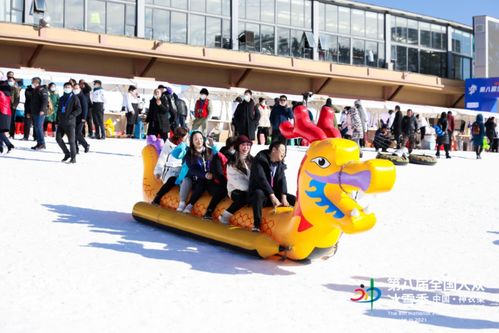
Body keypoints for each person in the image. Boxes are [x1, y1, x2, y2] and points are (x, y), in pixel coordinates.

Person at [249, 141, 296, 232]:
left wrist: (283, 196)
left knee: (294, 199)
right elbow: (261, 179)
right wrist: (272, 196)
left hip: (274, 194)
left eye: (285, 151)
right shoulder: (260, 159)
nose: (284, 153)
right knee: (258, 193)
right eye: (282, 150)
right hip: (261, 196)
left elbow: (283, 179)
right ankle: (257, 224)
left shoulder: (280, 163)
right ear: (274, 150)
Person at [218, 135, 254, 224]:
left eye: (248, 145)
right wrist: (252, 190)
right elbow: (238, 182)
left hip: (251, 189)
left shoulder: (252, 160)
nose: (246, 148)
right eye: (243, 145)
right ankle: (225, 216)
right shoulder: (232, 162)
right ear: (238, 147)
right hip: (235, 189)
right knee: (243, 197)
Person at [176, 131, 214, 213]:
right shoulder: (189, 153)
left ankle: (190, 205)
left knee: (202, 183)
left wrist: (213, 145)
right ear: (192, 142)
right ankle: (182, 202)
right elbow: (192, 169)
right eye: (196, 139)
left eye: (200, 138)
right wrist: (205, 174)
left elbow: (219, 158)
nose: (199, 141)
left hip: (203, 180)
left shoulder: (209, 151)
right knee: (186, 180)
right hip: (192, 178)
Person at [203, 136, 237, 219]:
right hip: (215, 183)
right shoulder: (219, 157)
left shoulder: (236, 157)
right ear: (232, 146)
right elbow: (219, 175)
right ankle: (209, 211)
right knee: (222, 190)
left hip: (229, 183)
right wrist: (229, 185)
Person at [152, 127, 189, 205]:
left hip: (181, 171)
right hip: (170, 171)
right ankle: (158, 197)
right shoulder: (169, 145)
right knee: (172, 179)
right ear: (181, 136)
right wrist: (158, 172)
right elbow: (162, 158)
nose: (187, 138)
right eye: (186, 136)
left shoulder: (185, 146)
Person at [55, 82, 82, 163]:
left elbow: (79, 109)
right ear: (63, 88)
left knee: (71, 141)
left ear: (71, 88)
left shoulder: (74, 98)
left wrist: (72, 115)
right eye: (66, 86)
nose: (67, 88)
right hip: (61, 123)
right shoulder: (61, 98)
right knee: (58, 139)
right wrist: (57, 120)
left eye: (69, 87)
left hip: (70, 123)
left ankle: (73, 158)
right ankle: (67, 154)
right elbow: (59, 110)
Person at [30, 77, 49, 150]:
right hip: (35, 111)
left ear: (37, 82)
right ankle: (39, 143)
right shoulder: (35, 90)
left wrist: (42, 110)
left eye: (33, 82)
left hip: (40, 112)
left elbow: (45, 101)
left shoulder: (42, 90)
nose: (32, 83)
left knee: (39, 127)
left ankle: (42, 143)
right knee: (37, 128)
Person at [73, 84, 90, 154]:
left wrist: (84, 118)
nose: (75, 89)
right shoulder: (73, 96)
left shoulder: (82, 96)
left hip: (81, 118)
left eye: (77, 88)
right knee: (73, 133)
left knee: (77, 133)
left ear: (79, 89)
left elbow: (85, 108)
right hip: (74, 118)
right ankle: (75, 149)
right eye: (74, 88)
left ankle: (86, 145)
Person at [0, 80, 15, 153]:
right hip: (7, 114)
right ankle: (1, 147)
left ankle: (9, 145)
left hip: (2, 113)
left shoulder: (0, 93)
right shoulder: (8, 94)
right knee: (1, 131)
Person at [7, 74, 20, 139]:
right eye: (9, 80)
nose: (10, 81)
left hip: (12, 106)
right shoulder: (5, 87)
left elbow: (17, 98)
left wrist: (14, 105)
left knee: (12, 120)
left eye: (11, 80)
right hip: (5, 106)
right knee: (5, 120)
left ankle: (12, 134)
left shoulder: (16, 88)